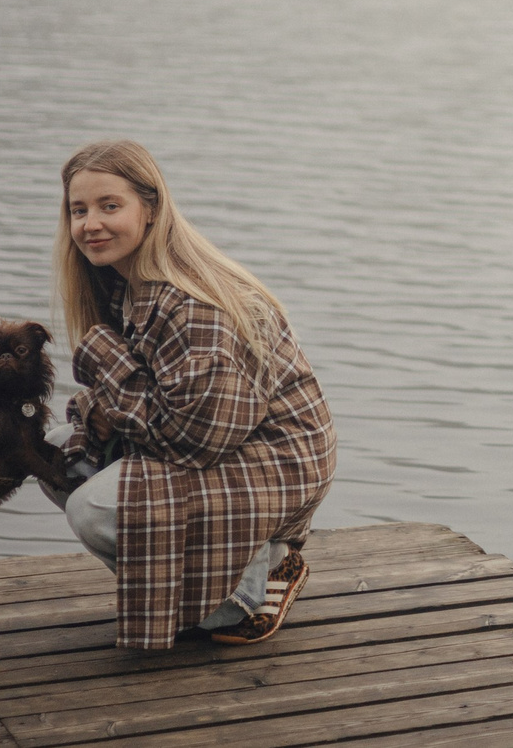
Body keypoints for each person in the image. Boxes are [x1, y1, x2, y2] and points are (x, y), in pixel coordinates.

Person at [43, 139, 335, 649]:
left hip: (272, 458)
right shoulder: (125, 284)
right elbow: (153, 402)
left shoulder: (192, 303)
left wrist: (106, 364)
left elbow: (198, 439)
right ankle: (249, 565)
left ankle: (238, 599)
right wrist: (103, 413)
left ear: (151, 210)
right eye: (79, 210)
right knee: (54, 452)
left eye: (110, 206)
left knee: (93, 507)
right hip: (222, 447)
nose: (91, 224)